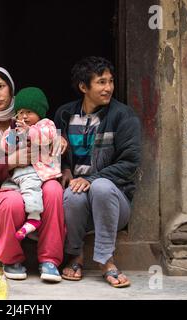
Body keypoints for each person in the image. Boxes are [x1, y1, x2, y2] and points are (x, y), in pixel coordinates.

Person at [0, 66, 66, 283]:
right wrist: (10, 162)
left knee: (54, 189)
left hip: (36, 178)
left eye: (1, 86)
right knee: (13, 201)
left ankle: (50, 260)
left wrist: (60, 141)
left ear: (11, 89)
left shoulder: (25, 113)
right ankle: (11, 258)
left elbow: (47, 139)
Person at [54, 56, 141, 287]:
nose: (109, 88)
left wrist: (91, 179)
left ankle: (106, 260)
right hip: (79, 206)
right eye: (101, 82)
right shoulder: (64, 115)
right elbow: (53, 151)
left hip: (114, 202)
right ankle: (75, 255)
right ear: (84, 87)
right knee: (72, 193)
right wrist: (64, 169)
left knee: (100, 187)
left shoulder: (123, 116)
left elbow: (130, 163)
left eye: (110, 81)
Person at [1, 87, 62, 241]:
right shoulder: (16, 127)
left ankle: (34, 218)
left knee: (30, 188)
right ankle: (19, 224)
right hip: (19, 173)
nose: (24, 116)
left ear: (39, 113)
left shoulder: (46, 125)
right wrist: (12, 135)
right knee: (9, 190)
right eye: (20, 112)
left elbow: (47, 137)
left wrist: (29, 132)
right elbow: (6, 147)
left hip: (38, 171)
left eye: (29, 112)